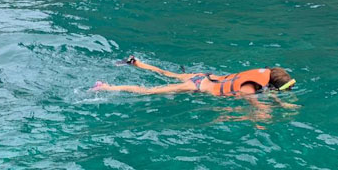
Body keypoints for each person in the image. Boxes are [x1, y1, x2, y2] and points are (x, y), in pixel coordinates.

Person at [92, 56, 296, 97]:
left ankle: (136, 63)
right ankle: (107, 88)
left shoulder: (258, 74)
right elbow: (259, 114)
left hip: (203, 76)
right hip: (197, 87)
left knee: (166, 74)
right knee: (149, 91)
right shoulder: (251, 87)